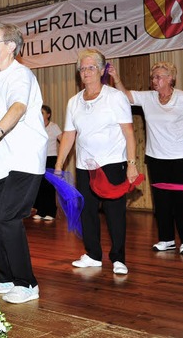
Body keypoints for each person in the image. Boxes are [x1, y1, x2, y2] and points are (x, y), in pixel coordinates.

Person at [112, 62, 183, 255]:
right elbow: (125, 96)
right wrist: (116, 78)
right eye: (153, 77)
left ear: (171, 78)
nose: (154, 80)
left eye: (159, 77)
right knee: (162, 201)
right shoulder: (149, 98)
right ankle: (166, 239)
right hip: (156, 158)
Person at [0, 22, 47, 304]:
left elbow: (18, 107)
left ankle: (26, 284)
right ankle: (3, 278)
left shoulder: (21, 74)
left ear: (11, 47)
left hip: (24, 158)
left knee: (7, 217)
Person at [54, 50, 138, 275]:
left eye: (91, 67)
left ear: (102, 71)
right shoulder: (74, 102)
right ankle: (93, 255)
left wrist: (131, 163)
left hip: (112, 164)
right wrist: (60, 165)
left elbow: (129, 133)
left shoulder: (115, 97)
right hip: (85, 166)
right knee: (87, 211)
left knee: (114, 212)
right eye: (82, 68)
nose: (86, 72)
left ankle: (119, 258)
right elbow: (69, 135)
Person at [32, 105, 62, 221]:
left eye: (43, 112)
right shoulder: (36, 126)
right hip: (39, 159)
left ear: (48, 115)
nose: (40, 114)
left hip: (51, 158)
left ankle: (51, 212)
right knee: (40, 186)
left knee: (49, 186)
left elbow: (63, 139)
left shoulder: (53, 126)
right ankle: (40, 211)